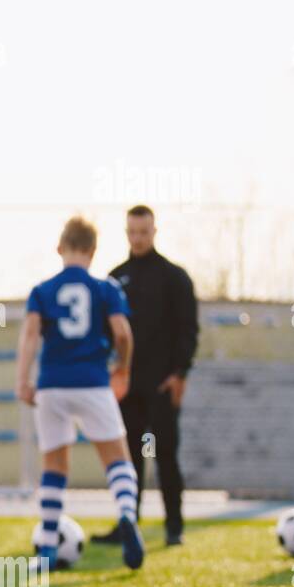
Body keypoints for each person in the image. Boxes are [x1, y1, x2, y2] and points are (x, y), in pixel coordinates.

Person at [16, 216, 145, 571]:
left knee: (54, 466)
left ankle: (45, 548)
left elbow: (29, 337)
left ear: (60, 248)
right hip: (92, 381)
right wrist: (122, 369)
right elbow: (122, 334)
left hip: (53, 384)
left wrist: (22, 380)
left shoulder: (42, 291)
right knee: (118, 460)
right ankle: (126, 515)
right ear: (93, 250)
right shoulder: (107, 289)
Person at [94, 204, 198, 547]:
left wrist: (179, 373)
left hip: (162, 384)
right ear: (127, 233)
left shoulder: (174, 276)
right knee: (129, 457)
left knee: (166, 454)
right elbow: (107, 333)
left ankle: (174, 527)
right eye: (132, 232)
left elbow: (188, 329)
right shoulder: (114, 277)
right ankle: (129, 525)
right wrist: (111, 372)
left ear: (154, 232)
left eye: (144, 232)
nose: (138, 238)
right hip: (126, 386)